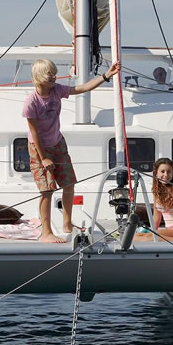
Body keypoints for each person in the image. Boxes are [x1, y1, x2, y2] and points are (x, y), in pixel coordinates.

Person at [24, 59, 121, 243]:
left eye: (54, 72)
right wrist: (43, 158)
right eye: (49, 73)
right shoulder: (31, 102)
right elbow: (34, 132)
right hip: (39, 148)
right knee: (47, 190)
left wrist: (106, 76)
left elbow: (81, 89)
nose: (53, 76)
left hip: (58, 143)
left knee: (69, 184)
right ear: (38, 77)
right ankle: (46, 232)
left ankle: (67, 224)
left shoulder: (57, 90)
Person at [136, 158, 173, 241]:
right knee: (135, 237)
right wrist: (152, 231)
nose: (166, 175)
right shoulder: (156, 190)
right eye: (162, 171)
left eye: (169, 172)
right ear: (156, 173)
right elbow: (156, 217)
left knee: (149, 238)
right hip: (169, 229)